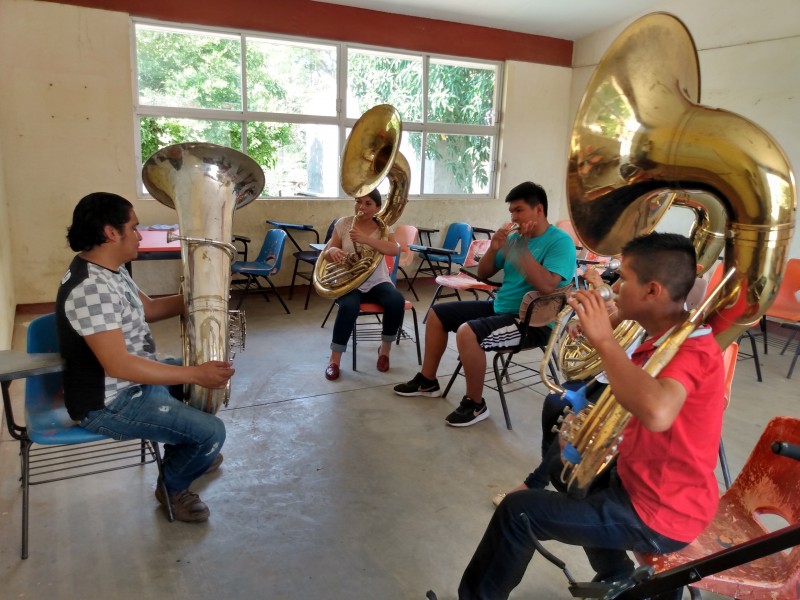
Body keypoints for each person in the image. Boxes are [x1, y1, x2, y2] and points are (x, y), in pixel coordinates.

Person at [456, 232, 726, 600]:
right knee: (565, 473)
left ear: (652, 291)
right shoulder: (663, 336)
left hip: (661, 514)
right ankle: (618, 577)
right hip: (644, 486)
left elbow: (659, 412)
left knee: (518, 511)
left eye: (623, 279)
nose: (614, 290)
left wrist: (605, 340)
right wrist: (584, 433)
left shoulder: (691, 349)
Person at [55, 192, 232, 523]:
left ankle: (185, 453)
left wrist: (204, 294)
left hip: (129, 383)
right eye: (134, 227)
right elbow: (118, 365)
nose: (139, 234)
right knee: (211, 431)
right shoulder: (90, 289)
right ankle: (173, 487)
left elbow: (148, 309)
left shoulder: (111, 270)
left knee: (202, 393)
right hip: (107, 402)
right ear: (111, 232)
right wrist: (195, 373)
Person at [393, 181, 576, 427]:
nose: (513, 217)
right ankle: (428, 381)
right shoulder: (514, 239)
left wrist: (521, 250)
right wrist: (494, 248)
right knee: (437, 314)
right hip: (502, 308)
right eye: (511, 212)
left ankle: (475, 404)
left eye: (519, 210)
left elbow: (548, 286)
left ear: (539, 210)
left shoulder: (559, 242)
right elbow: (484, 273)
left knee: (469, 333)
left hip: (532, 321)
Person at [323, 188, 406, 381]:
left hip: (377, 281)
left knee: (396, 301)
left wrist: (366, 239)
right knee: (349, 306)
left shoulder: (384, 227)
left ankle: (384, 352)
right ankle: (334, 360)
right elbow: (327, 252)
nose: (361, 207)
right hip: (349, 281)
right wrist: (333, 252)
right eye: (359, 201)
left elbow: (395, 250)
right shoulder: (343, 223)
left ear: (377, 208)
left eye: (368, 203)